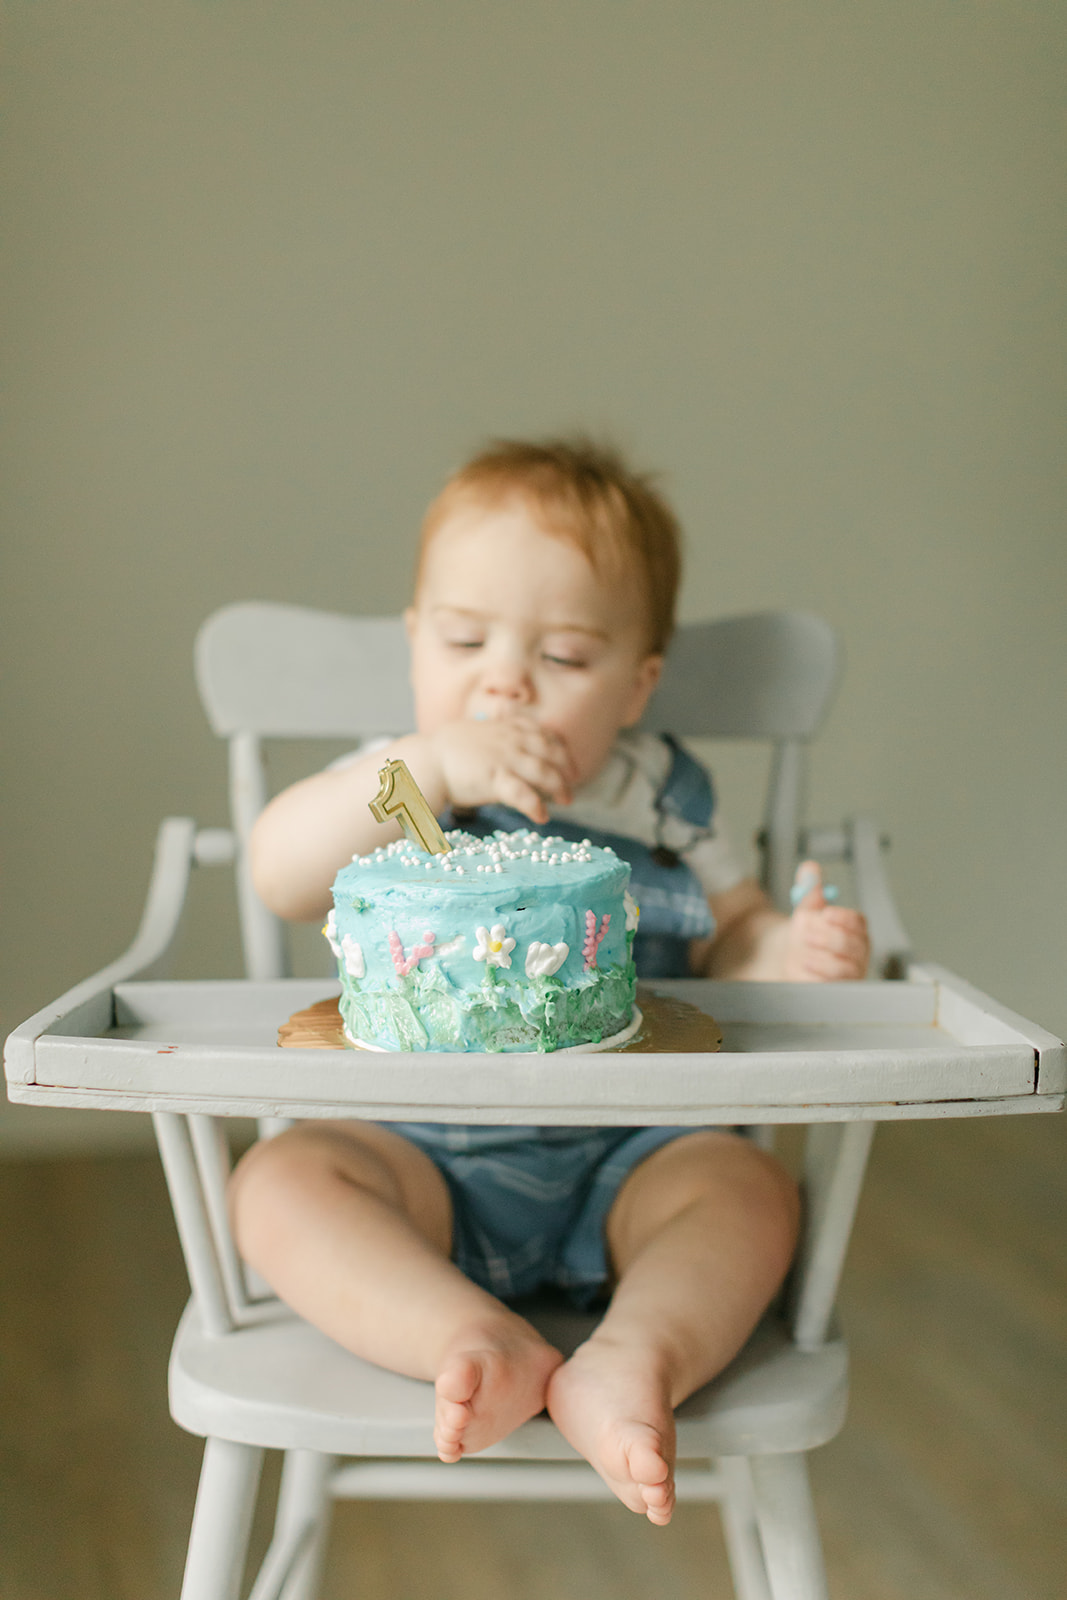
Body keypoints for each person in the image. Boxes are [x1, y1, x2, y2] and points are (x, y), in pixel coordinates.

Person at [232, 438, 869, 1526]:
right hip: (416, 1147)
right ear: (415, 643)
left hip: (634, 1152)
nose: (504, 680)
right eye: (465, 638)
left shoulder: (658, 793)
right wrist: (431, 767)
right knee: (276, 1186)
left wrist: (783, 952)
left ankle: (632, 1356)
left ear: (636, 683)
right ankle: (463, 1335)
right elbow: (278, 869)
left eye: (565, 654)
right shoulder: (394, 775)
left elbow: (732, 930)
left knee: (753, 1194)